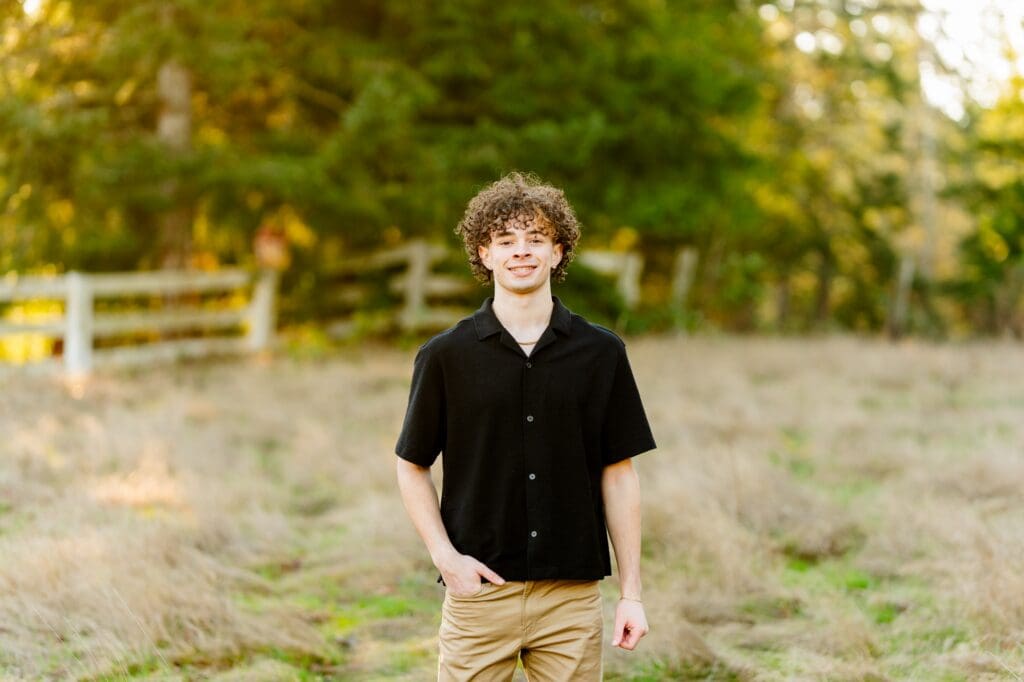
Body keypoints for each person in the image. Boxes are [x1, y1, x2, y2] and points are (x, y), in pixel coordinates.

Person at [395, 172, 657, 681]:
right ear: (484, 254)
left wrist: (631, 594)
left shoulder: (601, 354)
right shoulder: (444, 356)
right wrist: (446, 558)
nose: (521, 251)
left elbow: (620, 475)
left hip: (571, 600)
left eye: (536, 239)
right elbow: (411, 466)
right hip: (479, 594)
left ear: (558, 252)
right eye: (506, 240)